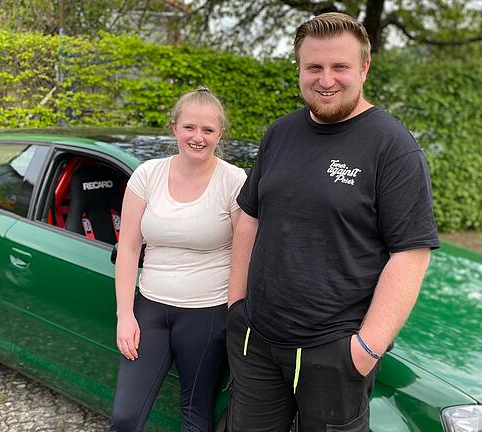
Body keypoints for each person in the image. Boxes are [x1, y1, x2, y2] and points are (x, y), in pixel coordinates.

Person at [226, 12, 440, 432]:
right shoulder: (280, 133)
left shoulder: (392, 147)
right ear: (300, 69)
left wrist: (365, 350)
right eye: (314, 67)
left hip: (333, 353)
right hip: (257, 340)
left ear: (363, 67)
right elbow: (249, 218)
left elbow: (410, 255)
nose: (326, 79)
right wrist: (237, 309)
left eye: (339, 66)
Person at [111, 87, 247, 432]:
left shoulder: (234, 181)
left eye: (207, 130)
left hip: (208, 314)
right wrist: (125, 315)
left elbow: (244, 256)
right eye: (189, 127)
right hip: (150, 310)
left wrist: (233, 316)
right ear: (174, 128)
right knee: (126, 416)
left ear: (220, 134)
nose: (197, 137)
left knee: (195, 414)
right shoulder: (147, 175)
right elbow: (128, 248)